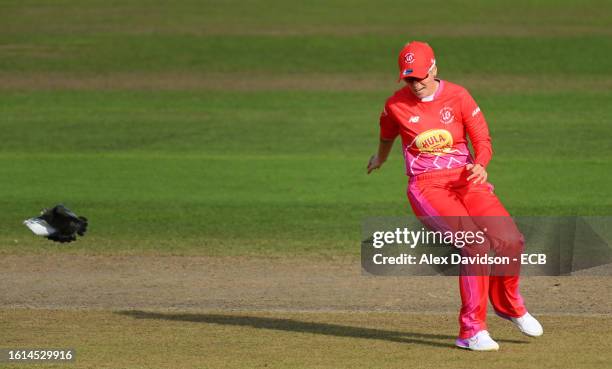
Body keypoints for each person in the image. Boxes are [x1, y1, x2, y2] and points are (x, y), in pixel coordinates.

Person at [367, 41, 543, 351]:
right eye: (409, 78)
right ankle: (471, 331)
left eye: (421, 76)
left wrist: (481, 164)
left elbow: (482, 139)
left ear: (434, 69)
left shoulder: (458, 96)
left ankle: (509, 305)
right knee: (475, 244)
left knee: (511, 240)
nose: (416, 84)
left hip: (467, 179)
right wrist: (380, 157)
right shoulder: (395, 105)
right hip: (427, 186)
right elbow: (386, 133)